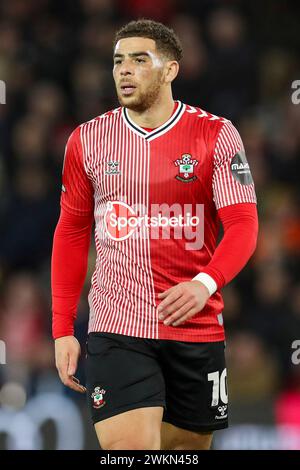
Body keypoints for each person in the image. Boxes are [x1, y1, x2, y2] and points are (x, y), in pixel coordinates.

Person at [51, 19, 258, 450]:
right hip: (117, 326)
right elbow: (71, 232)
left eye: (139, 60)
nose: (124, 70)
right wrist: (62, 328)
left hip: (195, 326)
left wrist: (206, 284)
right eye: (118, 61)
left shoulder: (215, 135)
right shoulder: (87, 140)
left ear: (170, 71)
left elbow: (243, 225)